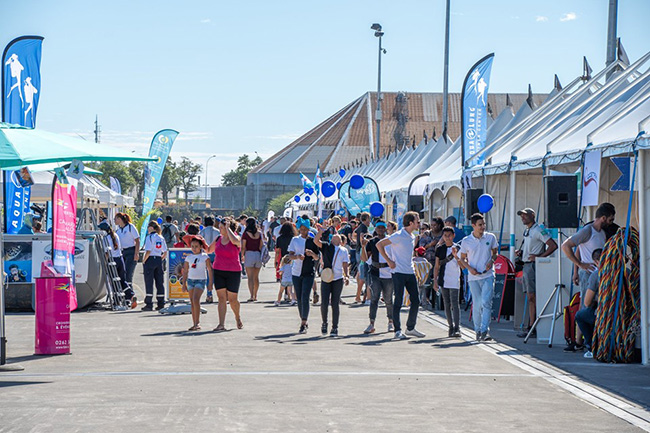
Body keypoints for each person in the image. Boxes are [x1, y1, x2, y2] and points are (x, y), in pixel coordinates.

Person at [561, 202, 615, 352]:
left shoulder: (602, 233)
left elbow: (579, 248)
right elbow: (566, 246)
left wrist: (576, 269)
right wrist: (579, 266)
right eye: (610, 220)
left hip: (598, 275)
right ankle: (580, 341)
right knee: (585, 307)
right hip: (588, 275)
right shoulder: (588, 230)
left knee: (591, 307)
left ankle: (586, 340)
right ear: (603, 218)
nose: (611, 223)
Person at [377, 211, 426, 340]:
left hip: (410, 272)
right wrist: (389, 261)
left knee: (416, 300)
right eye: (417, 221)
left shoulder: (412, 236)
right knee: (398, 301)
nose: (419, 224)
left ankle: (410, 328)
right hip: (398, 272)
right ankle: (397, 330)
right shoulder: (398, 235)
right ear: (410, 223)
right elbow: (379, 245)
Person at [515, 208, 558, 338]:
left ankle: (532, 327)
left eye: (525, 215)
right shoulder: (528, 230)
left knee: (532, 297)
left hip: (533, 266)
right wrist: (522, 253)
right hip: (527, 265)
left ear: (532, 216)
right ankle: (531, 325)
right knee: (530, 297)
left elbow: (552, 245)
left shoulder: (538, 230)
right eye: (521, 215)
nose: (522, 217)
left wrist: (540, 257)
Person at [458, 213, 499, 342]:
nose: (483, 227)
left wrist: (491, 261)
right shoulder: (466, 241)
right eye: (480, 225)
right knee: (477, 303)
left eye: (484, 224)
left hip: (488, 275)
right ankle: (477, 330)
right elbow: (462, 258)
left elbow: (495, 252)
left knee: (486, 302)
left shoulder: (490, 237)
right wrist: (469, 268)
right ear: (473, 226)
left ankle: (484, 330)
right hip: (474, 277)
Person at [208, 217, 243, 331]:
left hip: (233, 271)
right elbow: (209, 249)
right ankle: (221, 324)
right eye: (220, 228)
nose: (220, 230)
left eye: (222, 228)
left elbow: (235, 242)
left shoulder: (236, 237)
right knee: (221, 298)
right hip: (219, 270)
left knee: (232, 299)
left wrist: (229, 230)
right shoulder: (218, 238)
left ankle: (237, 317)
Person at [314, 228, 350, 337]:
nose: (335, 238)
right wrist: (320, 231)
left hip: (338, 279)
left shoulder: (343, 250)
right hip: (326, 277)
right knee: (324, 302)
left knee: (335, 303)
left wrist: (346, 275)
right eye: (333, 238)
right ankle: (324, 323)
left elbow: (345, 264)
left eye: (337, 238)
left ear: (340, 241)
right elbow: (316, 241)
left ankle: (335, 327)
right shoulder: (326, 247)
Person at [361, 220, 394, 334]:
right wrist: (363, 246)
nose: (380, 230)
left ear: (385, 229)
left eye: (382, 228)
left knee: (388, 299)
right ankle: (371, 323)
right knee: (374, 299)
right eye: (378, 228)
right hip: (375, 272)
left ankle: (391, 322)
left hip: (388, 273)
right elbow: (365, 259)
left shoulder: (390, 240)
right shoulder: (371, 242)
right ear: (375, 229)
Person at [288, 217, 320, 334]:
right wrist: (297, 257)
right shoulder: (295, 240)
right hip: (296, 272)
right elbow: (289, 256)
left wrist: (311, 254)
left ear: (308, 229)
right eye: (301, 229)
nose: (303, 231)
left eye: (305, 229)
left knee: (305, 297)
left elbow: (317, 257)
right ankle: (303, 318)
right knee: (300, 298)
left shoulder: (312, 241)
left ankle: (303, 322)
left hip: (309, 272)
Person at [99, 221, 137, 309]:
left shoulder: (105, 239)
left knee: (114, 282)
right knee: (123, 280)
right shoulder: (115, 235)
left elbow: (107, 253)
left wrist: (104, 263)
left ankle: (117, 301)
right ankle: (131, 295)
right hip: (120, 259)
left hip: (112, 261)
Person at [433, 227, 462, 337]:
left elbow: (462, 264)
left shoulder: (458, 248)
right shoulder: (440, 249)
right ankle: (450, 326)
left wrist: (456, 256)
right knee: (446, 303)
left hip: (455, 279)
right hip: (443, 279)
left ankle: (457, 327)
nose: (447, 238)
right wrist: (435, 280)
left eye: (449, 235)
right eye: (445, 235)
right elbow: (436, 266)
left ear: (453, 235)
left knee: (455, 303)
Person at [575, 248, 602, 359]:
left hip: (602, 313)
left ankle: (591, 346)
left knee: (580, 315)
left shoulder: (596, 275)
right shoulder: (624, 272)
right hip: (623, 312)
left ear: (596, 262)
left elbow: (586, 302)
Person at [182, 237, 213, 331]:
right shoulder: (188, 258)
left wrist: (210, 283)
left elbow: (210, 270)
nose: (194, 248)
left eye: (196, 246)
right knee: (192, 302)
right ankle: (194, 323)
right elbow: (185, 271)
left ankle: (198, 322)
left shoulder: (205, 257)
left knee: (196, 299)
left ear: (200, 246)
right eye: (192, 246)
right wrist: (184, 283)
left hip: (201, 280)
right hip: (190, 281)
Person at [141, 221, 168, 311]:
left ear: (151, 228)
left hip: (150, 259)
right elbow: (165, 252)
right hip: (158, 260)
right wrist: (161, 258)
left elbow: (148, 251)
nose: (148, 228)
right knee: (159, 282)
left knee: (149, 282)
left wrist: (143, 261)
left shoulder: (149, 237)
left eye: (149, 226)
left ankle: (149, 303)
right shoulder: (161, 237)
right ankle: (161, 302)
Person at [115, 212, 140, 288]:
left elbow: (137, 240)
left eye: (115, 219)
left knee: (128, 274)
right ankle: (125, 293)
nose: (114, 221)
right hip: (122, 252)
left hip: (131, 251)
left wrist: (136, 253)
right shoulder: (118, 230)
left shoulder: (130, 227)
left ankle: (130, 295)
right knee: (122, 273)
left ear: (119, 219)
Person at [241, 217, 263, 302]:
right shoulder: (259, 233)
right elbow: (261, 246)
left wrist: (242, 255)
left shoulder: (246, 234)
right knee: (256, 277)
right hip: (257, 254)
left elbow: (243, 246)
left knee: (250, 277)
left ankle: (251, 295)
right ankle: (255, 295)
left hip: (249, 254)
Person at [275, 222, 296, 295]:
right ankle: (291, 293)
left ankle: (286, 292)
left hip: (283, 259)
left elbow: (277, 251)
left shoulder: (279, 238)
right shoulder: (294, 238)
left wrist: (276, 261)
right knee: (292, 276)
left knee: (283, 276)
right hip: (293, 258)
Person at [354, 212, 371, 303]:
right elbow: (362, 238)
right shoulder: (364, 227)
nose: (370, 221)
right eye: (369, 219)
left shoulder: (359, 226)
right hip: (362, 251)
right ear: (366, 219)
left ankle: (359, 294)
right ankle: (358, 295)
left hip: (358, 250)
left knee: (360, 272)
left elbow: (354, 234)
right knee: (363, 273)